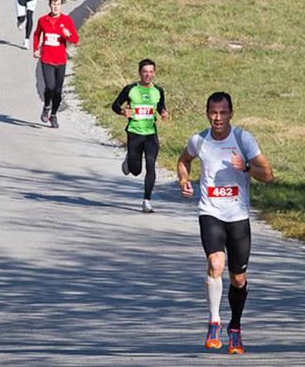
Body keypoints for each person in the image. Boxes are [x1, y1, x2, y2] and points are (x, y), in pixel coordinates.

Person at [178, 92, 273, 354]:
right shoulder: (199, 140)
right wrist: (183, 180)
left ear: (231, 113)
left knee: (238, 278)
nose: (217, 118)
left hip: (238, 216)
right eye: (213, 112)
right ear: (207, 113)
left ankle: (235, 327)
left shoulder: (243, 139)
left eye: (222, 112)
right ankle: (214, 322)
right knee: (215, 264)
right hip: (210, 212)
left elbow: (268, 175)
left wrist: (246, 168)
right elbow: (183, 160)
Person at [112, 58, 168, 213]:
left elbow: (160, 105)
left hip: (151, 134)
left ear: (154, 73)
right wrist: (123, 111)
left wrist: (163, 112)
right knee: (136, 170)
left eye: (150, 72)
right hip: (134, 133)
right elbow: (115, 105)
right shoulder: (130, 89)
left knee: (151, 165)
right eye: (145, 72)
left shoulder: (158, 90)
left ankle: (147, 201)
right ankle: (129, 160)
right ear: (139, 73)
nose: (148, 75)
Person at [33, 0, 79, 128]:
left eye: (58, 4)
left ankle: (53, 115)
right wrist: (35, 49)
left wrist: (68, 35)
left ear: (61, 6)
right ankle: (47, 106)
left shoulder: (66, 20)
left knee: (58, 91)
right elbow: (36, 34)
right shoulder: (43, 20)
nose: (56, 7)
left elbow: (75, 40)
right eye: (53, 4)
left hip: (60, 61)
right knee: (50, 87)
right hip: (46, 59)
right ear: (50, 5)